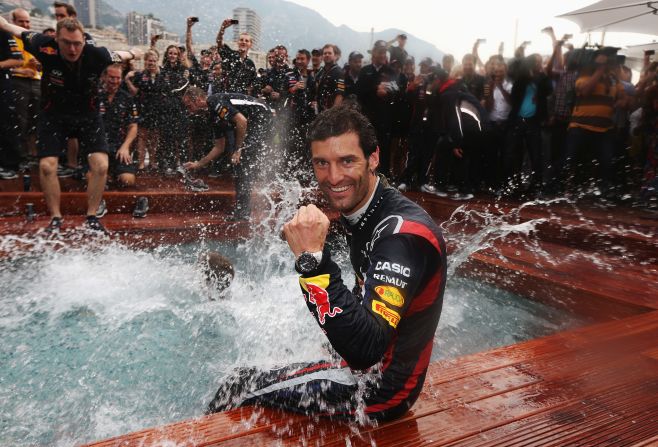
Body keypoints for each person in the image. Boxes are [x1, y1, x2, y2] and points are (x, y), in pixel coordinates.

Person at [206, 104, 446, 422]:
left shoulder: (400, 236)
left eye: (347, 161)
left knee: (236, 386)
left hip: (380, 390)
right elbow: (365, 299)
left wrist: (312, 260)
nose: (333, 178)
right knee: (261, 369)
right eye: (322, 163)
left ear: (373, 157)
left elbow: (366, 350)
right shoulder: (369, 207)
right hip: (365, 367)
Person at [0, 16, 142, 233]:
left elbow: (120, 54)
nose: (73, 49)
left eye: (77, 43)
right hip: (53, 114)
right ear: (57, 39)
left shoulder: (96, 54)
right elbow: (12, 27)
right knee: (47, 166)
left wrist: (134, 52)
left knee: (101, 165)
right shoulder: (42, 45)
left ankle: (92, 216)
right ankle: (56, 218)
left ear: (84, 41)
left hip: (88, 115)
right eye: (67, 43)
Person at [181, 87, 273, 220]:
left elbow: (242, 121)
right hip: (253, 122)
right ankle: (242, 209)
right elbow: (219, 146)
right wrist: (198, 164)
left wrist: (238, 149)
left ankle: (243, 212)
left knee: (242, 161)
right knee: (238, 163)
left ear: (199, 99)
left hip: (263, 116)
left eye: (189, 106)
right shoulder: (212, 115)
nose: (189, 111)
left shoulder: (214, 101)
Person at [98, 64, 139, 188]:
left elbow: (133, 126)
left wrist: (125, 147)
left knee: (128, 180)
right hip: (97, 147)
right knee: (93, 178)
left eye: (117, 78)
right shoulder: (94, 96)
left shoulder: (126, 98)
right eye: (111, 77)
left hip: (118, 147)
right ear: (104, 77)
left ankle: (113, 174)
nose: (114, 81)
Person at [10, 8, 41, 166]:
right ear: (13, 22)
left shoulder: (32, 38)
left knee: (36, 120)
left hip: (36, 81)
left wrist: (39, 64)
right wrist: (21, 70)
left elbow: (43, 65)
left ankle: (33, 155)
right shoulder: (7, 37)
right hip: (17, 81)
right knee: (20, 120)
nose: (25, 24)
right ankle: (21, 156)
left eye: (27, 21)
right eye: (21, 21)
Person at [0, 28, 23, 180]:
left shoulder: (3, 33)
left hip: (2, 83)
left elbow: (18, 59)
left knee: (5, 122)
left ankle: (11, 165)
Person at [216, 18, 256, 95]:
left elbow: (252, 83)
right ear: (238, 42)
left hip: (241, 99)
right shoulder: (229, 55)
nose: (243, 42)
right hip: (226, 95)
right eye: (241, 40)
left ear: (250, 44)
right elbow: (219, 42)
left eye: (246, 41)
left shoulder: (250, 64)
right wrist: (222, 28)